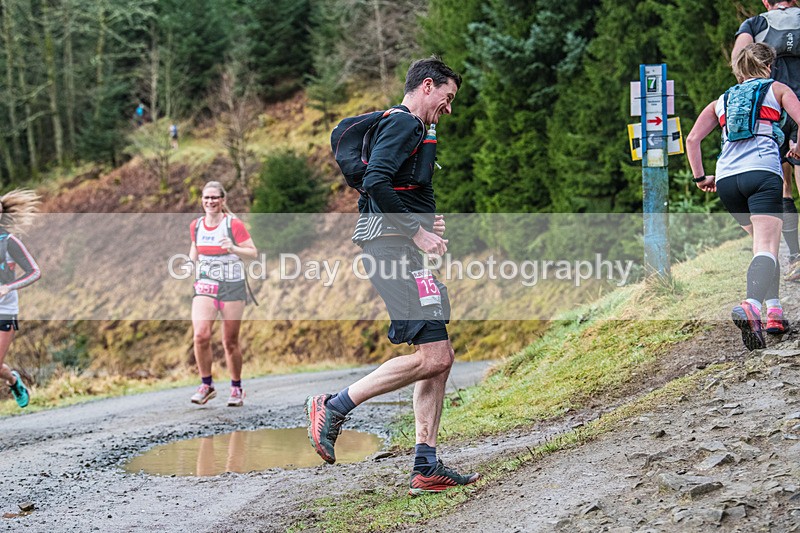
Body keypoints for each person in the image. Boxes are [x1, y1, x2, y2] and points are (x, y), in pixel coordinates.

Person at [305, 57, 480, 495]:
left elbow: (406, 186)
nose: (449, 107)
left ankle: (426, 464)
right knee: (435, 356)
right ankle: (334, 405)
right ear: (427, 86)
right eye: (447, 97)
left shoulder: (417, 130)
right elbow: (377, 181)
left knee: (439, 356)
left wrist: (425, 221)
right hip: (390, 248)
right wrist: (416, 231)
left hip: (400, 247)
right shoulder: (404, 124)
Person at [686, 43, 800, 349]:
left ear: (739, 69)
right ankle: (751, 305)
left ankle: (774, 311)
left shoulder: (720, 101)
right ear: (767, 67)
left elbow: (693, 139)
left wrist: (700, 177)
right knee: (766, 247)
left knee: (764, 249)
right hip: (762, 173)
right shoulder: (777, 89)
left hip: (727, 180)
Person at [732, 0, 800, 280]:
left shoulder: (754, 24)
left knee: (784, 186)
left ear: (765, 2)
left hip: (773, 105)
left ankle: (796, 257)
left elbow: (738, 58)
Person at [188, 181, 257, 406]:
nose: (210, 202)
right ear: (202, 200)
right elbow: (195, 249)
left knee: (230, 341)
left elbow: (252, 253)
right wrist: (190, 264)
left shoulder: (233, 225)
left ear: (222, 200)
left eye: (214, 198)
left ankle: (236, 388)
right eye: (206, 198)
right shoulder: (196, 225)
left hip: (232, 285)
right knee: (200, 335)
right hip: (205, 284)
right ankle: (206, 385)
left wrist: (233, 248)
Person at [0, 189, 41, 408]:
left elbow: (35, 271)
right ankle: (13, 380)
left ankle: (14, 382)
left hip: (5, 310)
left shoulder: (10, 242)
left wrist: (8, 287)